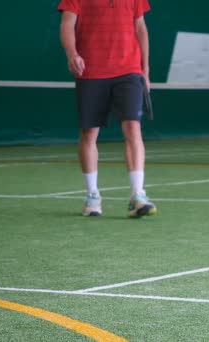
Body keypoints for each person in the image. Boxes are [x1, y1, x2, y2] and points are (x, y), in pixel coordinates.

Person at [58, 0, 156, 218]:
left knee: (133, 127)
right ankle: (92, 196)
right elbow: (67, 24)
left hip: (129, 70)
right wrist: (72, 53)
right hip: (91, 71)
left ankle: (138, 195)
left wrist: (145, 70)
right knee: (89, 133)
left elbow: (140, 27)